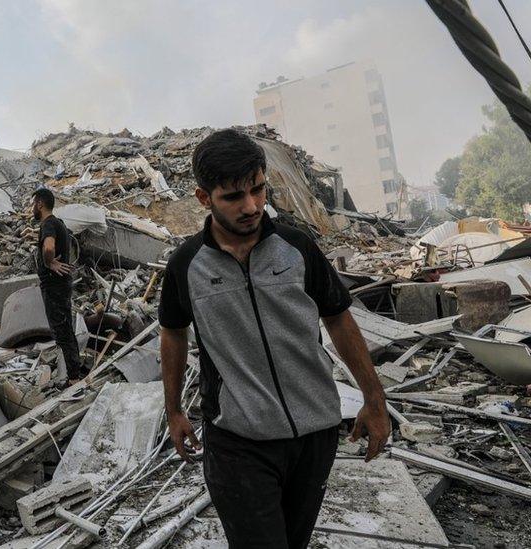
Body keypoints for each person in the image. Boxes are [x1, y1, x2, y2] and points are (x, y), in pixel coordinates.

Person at [158, 129, 390, 549]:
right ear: (203, 197)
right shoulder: (186, 266)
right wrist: (173, 411)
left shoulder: (296, 248)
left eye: (258, 190)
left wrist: (375, 400)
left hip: (313, 435)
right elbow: (172, 334)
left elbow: (339, 320)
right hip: (238, 440)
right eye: (233, 197)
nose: (251, 206)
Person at [32, 187, 84, 380]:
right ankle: (74, 373)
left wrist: (49, 262)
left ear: (40, 204)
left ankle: (74, 378)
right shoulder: (58, 223)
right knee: (66, 329)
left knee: (62, 332)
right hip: (61, 286)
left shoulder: (48, 224)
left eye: (33, 205)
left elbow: (49, 247)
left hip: (54, 286)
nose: (32, 209)